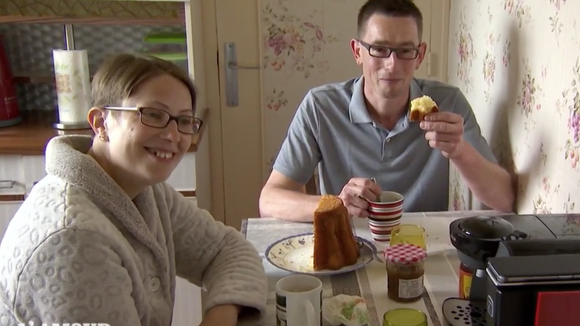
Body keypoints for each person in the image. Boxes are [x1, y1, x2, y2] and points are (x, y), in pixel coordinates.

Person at [0, 53, 267, 325]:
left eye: (184, 120)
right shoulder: (73, 238)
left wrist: (220, 314)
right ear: (101, 123)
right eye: (152, 114)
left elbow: (228, 250)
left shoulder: (146, 191)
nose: (173, 135)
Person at [259, 0, 515, 222]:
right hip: (349, 241)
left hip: (420, 245)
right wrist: (336, 203)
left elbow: (504, 199)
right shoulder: (320, 106)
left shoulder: (449, 102)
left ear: (420, 55)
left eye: (405, 51)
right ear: (357, 51)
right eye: (379, 49)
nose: (392, 66)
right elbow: (269, 201)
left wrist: (460, 151)